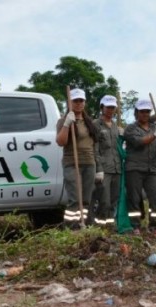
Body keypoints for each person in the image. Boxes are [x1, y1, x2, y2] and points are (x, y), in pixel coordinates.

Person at [123, 99, 156, 237]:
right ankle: (134, 226)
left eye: (147, 111)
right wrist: (155, 135)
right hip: (134, 168)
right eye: (142, 111)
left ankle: (155, 226)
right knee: (134, 198)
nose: (145, 114)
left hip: (152, 169)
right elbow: (139, 142)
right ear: (136, 112)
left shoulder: (155, 127)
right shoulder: (131, 128)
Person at [56, 88, 99, 228]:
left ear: (85, 102)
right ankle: (71, 227)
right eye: (75, 101)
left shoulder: (89, 122)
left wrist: (99, 167)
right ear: (70, 102)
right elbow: (60, 142)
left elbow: (94, 145)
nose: (79, 103)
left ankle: (82, 224)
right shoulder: (63, 121)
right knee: (75, 199)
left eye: (81, 100)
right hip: (72, 163)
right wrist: (67, 124)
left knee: (86, 199)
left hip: (89, 163)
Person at [92, 95, 122, 228]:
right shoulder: (96, 124)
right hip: (104, 169)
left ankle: (110, 226)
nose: (110, 110)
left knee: (114, 200)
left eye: (113, 107)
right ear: (102, 108)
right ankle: (100, 226)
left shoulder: (116, 126)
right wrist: (98, 168)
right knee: (104, 201)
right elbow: (94, 148)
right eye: (108, 107)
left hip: (117, 168)